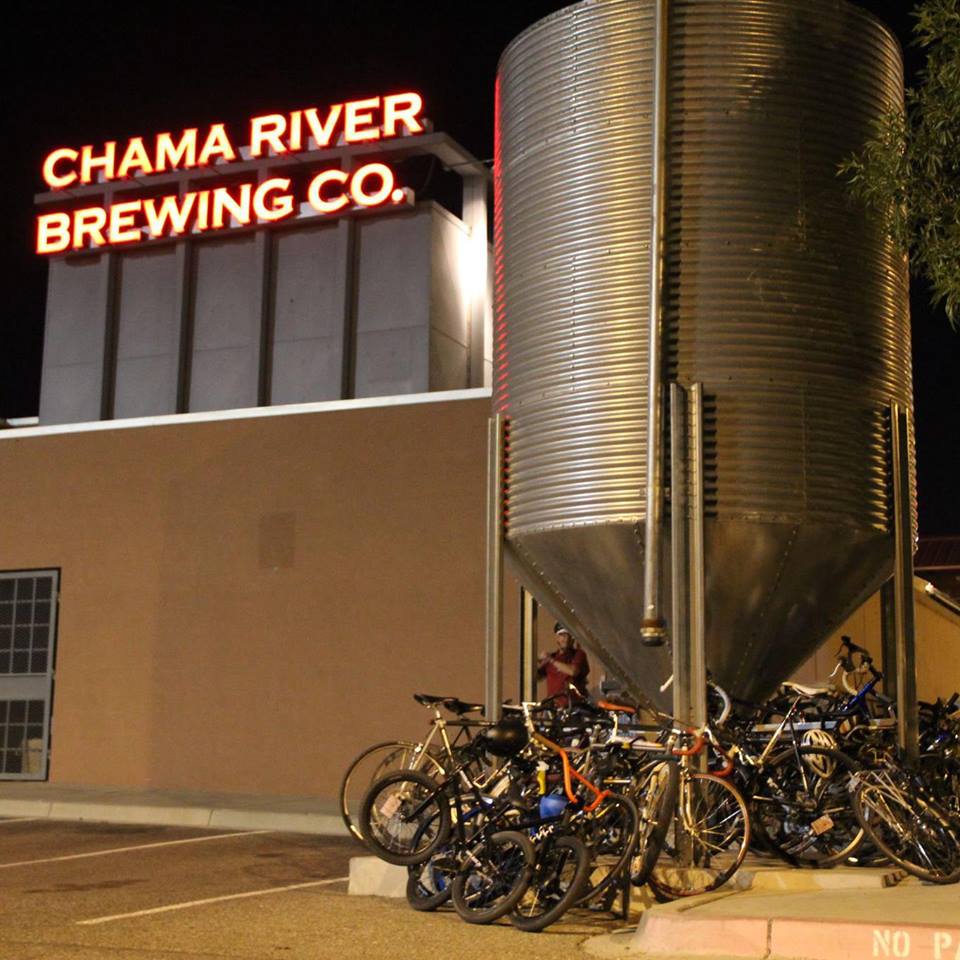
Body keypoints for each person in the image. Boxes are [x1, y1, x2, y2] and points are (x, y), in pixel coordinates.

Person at [538, 622, 590, 704]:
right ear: (557, 638)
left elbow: (573, 671)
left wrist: (552, 661)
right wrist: (536, 661)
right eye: (562, 635)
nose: (565, 639)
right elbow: (536, 677)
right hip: (553, 707)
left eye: (568, 635)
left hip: (573, 706)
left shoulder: (579, 654)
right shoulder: (552, 657)